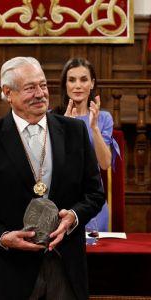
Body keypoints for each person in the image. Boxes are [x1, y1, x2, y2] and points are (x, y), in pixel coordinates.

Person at [0, 57, 105, 300]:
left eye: (43, 85)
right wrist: (3, 237)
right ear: (8, 93)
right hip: (12, 269)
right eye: (30, 88)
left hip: (65, 265)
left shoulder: (75, 131)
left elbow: (95, 194)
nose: (40, 94)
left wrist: (74, 216)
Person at [55, 57, 119, 232]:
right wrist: (66, 129)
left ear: (92, 83)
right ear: (65, 85)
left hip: (92, 200)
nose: (77, 85)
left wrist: (94, 127)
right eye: (72, 80)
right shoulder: (52, 117)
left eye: (83, 79)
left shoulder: (103, 118)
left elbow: (105, 163)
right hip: (60, 201)